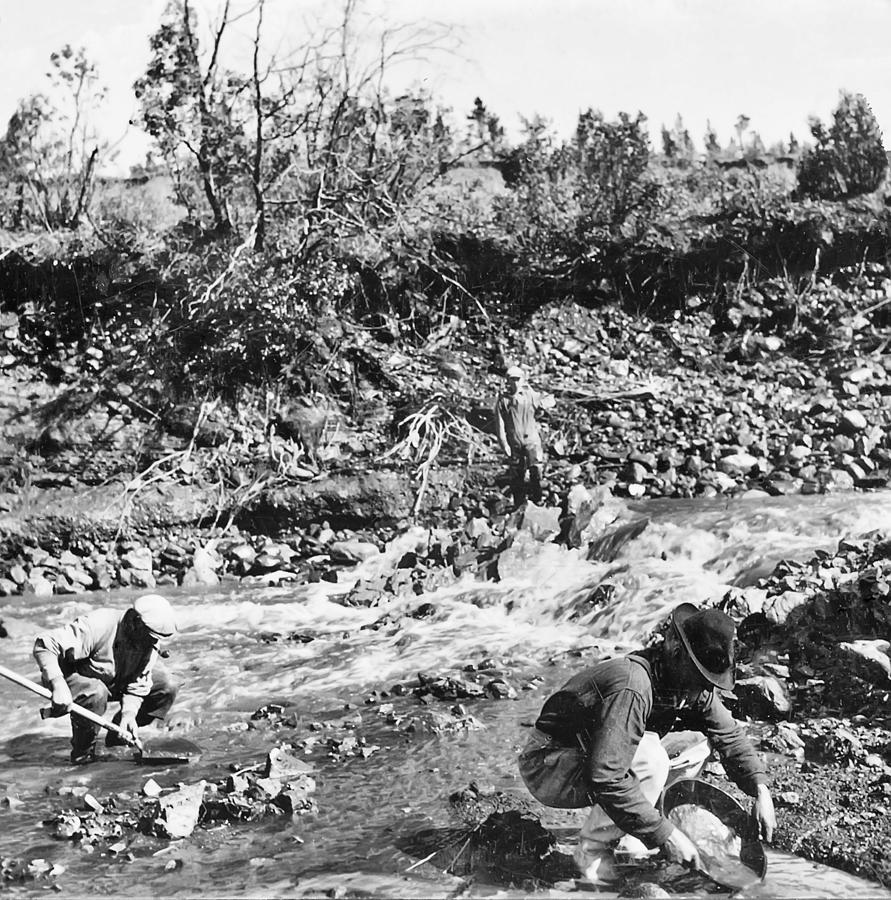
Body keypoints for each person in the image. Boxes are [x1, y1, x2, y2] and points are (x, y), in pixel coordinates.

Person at [518, 603, 776, 885]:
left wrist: (760, 788)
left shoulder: (687, 684)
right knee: (651, 758)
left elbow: (729, 734)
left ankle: (631, 836)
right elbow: (606, 776)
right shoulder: (632, 685)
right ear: (676, 654)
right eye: (701, 679)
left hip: (590, 755)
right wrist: (665, 834)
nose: (705, 690)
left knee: (697, 744)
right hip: (548, 764)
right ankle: (593, 853)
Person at [33, 594, 179, 763]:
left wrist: (129, 714)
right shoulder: (99, 624)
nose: (152, 642)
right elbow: (44, 644)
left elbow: (138, 684)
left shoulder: (149, 641)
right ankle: (83, 753)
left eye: (155, 638)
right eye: (150, 636)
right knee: (96, 691)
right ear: (134, 621)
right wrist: (57, 683)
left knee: (168, 684)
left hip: (113, 681)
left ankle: (119, 735)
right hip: (68, 679)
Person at [493, 365, 555, 506]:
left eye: (517, 379)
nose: (514, 382)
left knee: (535, 470)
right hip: (514, 443)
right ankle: (519, 504)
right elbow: (500, 426)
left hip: (531, 440)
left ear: (522, 380)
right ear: (507, 381)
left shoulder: (530, 395)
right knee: (517, 474)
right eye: (511, 379)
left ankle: (537, 498)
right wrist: (504, 445)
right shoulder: (503, 401)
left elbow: (550, 399)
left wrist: (543, 405)